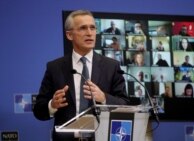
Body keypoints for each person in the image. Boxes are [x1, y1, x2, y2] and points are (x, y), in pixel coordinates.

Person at [33, 10, 129, 141]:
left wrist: (104, 98)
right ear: (69, 35)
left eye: (92, 28)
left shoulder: (111, 66)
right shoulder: (54, 67)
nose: (89, 33)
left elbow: (125, 104)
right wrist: (52, 105)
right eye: (83, 28)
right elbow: (38, 110)